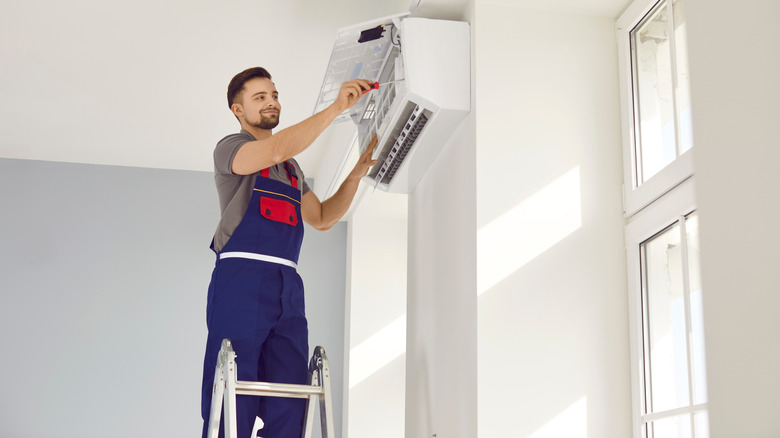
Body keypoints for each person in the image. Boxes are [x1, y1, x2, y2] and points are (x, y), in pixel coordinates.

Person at [201, 67, 377, 438]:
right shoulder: (230, 149)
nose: (271, 103)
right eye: (260, 97)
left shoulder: (292, 170)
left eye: (274, 95)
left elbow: (324, 218)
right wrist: (335, 110)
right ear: (238, 109)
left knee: (290, 399)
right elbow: (277, 146)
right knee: (236, 396)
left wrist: (355, 175)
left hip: (288, 288)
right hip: (241, 280)